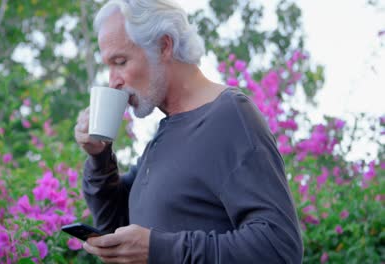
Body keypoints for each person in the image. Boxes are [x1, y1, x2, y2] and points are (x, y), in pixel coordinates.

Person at [74, 0, 303, 263]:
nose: (113, 80)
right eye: (108, 66)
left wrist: (159, 249)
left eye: (121, 61)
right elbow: (113, 223)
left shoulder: (228, 116)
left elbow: (279, 247)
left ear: (164, 45)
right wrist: (100, 156)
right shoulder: (165, 134)